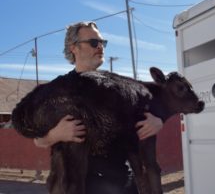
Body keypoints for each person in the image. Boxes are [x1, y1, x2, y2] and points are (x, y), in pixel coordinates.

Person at [34, 21, 163, 194]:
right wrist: (56, 134)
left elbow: (154, 109)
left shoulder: (120, 87)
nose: (100, 47)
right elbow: (38, 139)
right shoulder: (57, 91)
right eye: (94, 42)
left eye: (103, 42)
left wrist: (158, 120)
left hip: (123, 184)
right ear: (74, 48)